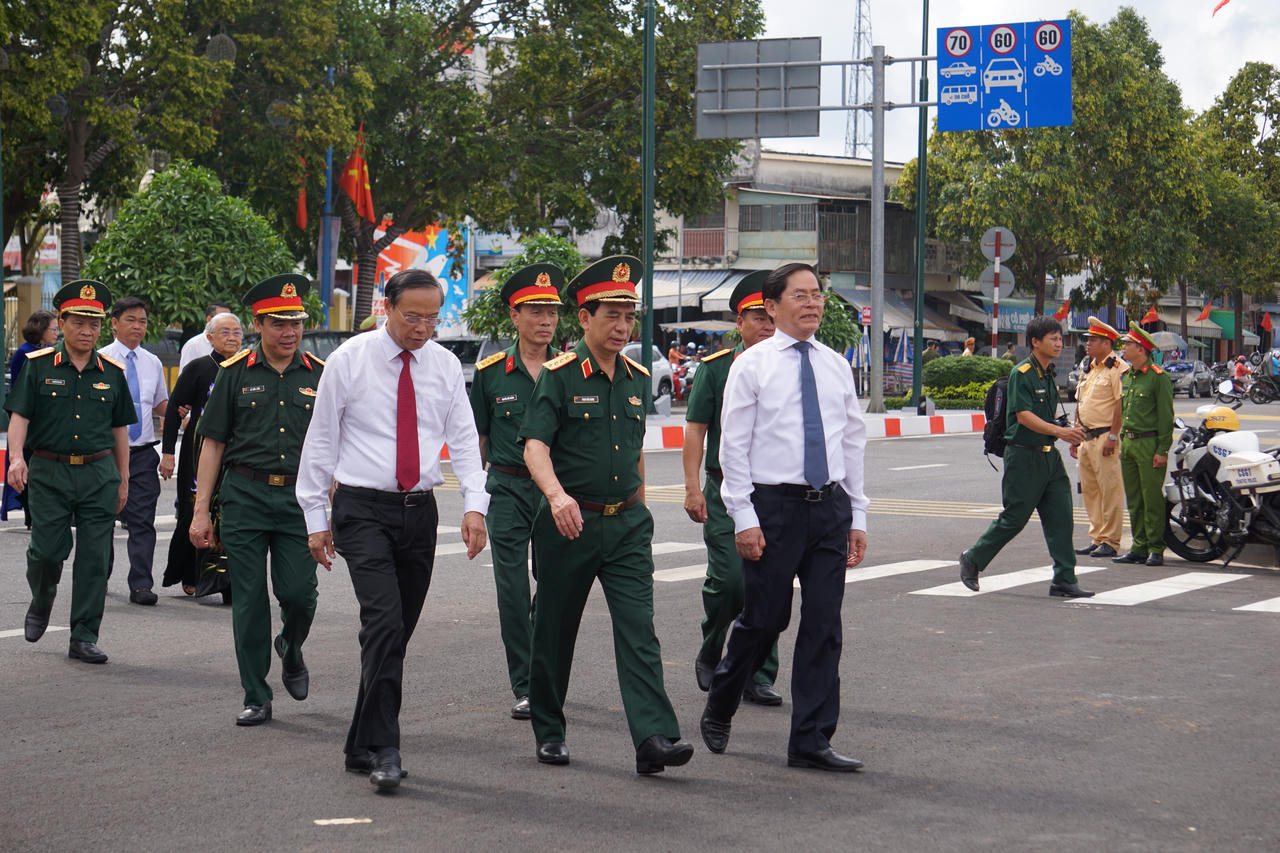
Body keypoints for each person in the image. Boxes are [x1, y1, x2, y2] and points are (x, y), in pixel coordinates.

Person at [297, 268, 489, 791]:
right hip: (361, 509)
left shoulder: (446, 366)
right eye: (413, 317)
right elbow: (320, 443)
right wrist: (316, 519)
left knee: (395, 632)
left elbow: (466, 442)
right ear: (387, 308)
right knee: (382, 624)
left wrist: (475, 506)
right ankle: (386, 747)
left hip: (418, 512)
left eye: (432, 318)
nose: (423, 328)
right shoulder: (349, 361)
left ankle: (361, 741)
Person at [520, 256, 693, 775]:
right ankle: (549, 729)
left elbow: (635, 449)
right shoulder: (558, 377)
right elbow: (533, 448)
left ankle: (654, 738)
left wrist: (639, 501)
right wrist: (556, 497)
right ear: (584, 318)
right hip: (568, 525)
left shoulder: (638, 379)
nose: (622, 327)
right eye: (611, 316)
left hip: (626, 526)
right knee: (554, 631)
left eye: (629, 317)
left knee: (639, 629)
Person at [698, 262, 869, 773]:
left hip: (829, 508)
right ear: (772, 307)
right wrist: (743, 517)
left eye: (817, 294)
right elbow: (733, 448)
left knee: (824, 624)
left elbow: (853, 442)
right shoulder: (751, 366)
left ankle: (811, 739)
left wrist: (857, 515)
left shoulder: (835, 364)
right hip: (773, 509)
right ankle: (723, 695)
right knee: (766, 618)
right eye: (800, 295)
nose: (813, 303)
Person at [190, 275, 324, 726]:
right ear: (258, 324)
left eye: (296, 323)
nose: (289, 332)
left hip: (298, 501)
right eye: (279, 323)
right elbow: (211, 444)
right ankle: (256, 693)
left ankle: (291, 644)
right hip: (244, 497)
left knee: (299, 595)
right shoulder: (234, 374)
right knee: (248, 599)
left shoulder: (319, 375)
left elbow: (334, 447)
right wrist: (200, 510)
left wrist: (332, 509)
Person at [5, 281, 135, 664]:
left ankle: (83, 635)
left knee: (96, 559)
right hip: (49, 471)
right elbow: (19, 416)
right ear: (61, 323)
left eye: (94, 324)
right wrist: (16, 458)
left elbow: (119, 431)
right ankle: (42, 599)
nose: (87, 331)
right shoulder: (38, 365)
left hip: (98, 474)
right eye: (79, 322)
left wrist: (123, 476)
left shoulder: (112, 371)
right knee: (46, 552)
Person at [468, 264, 563, 721]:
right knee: (511, 588)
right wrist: (475, 507)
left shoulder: (570, 370)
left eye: (552, 312)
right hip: (506, 488)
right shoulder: (490, 374)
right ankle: (524, 684)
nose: (545, 321)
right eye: (536, 311)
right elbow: (478, 444)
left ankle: (546, 674)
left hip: (556, 494)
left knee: (554, 590)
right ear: (515, 315)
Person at [683, 271, 782, 705]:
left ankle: (757, 672)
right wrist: (692, 487)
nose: (766, 325)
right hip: (726, 491)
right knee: (729, 582)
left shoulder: (791, 364)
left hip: (777, 495)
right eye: (757, 317)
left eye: (771, 317)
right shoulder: (718, 368)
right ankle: (712, 648)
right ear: (738, 322)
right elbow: (696, 430)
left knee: (770, 587)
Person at [958, 316, 1092, 598]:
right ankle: (973, 558)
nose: (1059, 343)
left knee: (1061, 517)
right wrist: (1060, 431)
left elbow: (1051, 413)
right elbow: (1024, 416)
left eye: (1060, 338)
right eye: (1053, 339)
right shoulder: (1023, 372)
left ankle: (1064, 579)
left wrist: (1070, 432)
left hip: (1049, 457)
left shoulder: (1047, 373)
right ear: (1035, 342)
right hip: (1023, 456)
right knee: (1014, 518)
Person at [161, 311, 244, 596]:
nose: (232, 337)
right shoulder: (198, 368)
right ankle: (190, 572)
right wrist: (168, 453)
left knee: (229, 514)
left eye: (237, 332)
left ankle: (228, 582)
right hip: (198, 451)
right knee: (193, 512)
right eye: (225, 332)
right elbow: (174, 409)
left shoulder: (246, 367)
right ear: (209, 338)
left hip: (236, 452)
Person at [101, 297, 170, 606]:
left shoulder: (152, 363)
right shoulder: (99, 359)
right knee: (101, 520)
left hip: (142, 454)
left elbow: (158, 405)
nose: (138, 327)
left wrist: (189, 409)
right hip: (104, 453)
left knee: (143, 520)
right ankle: (97, 578)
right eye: (131, 320)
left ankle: (141, 584)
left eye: (142, 321)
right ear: (114, 323)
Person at [1113, 323, 1174, 567]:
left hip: (1149, 444)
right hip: (1129, 443)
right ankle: (1139, 546)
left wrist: (1162, 450)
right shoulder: (1127, 376)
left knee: (1152, 499)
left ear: (1141, 348)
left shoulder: (1158, 378)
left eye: (1127, 344)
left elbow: (1166, 418)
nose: (1124, 348)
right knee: (1135, 499)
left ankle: (1156, 548)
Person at [1070, 317, 1128, 560]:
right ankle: (1097, 537)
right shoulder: (1090, 368)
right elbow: (1080, 402)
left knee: (1110, 490)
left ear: (1107, 343)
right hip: (1086, 437)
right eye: (1087, 340)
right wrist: (1075, 435)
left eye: (1092, 340)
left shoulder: (1118, 368)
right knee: (1091, 491)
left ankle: (1112, 540)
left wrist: (1114, 436)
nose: (1088, 344)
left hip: (1105, 436)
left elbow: (1119, 404)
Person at [3, 310, 59, 526]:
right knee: (27, 465)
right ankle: (30, 515)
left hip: (48, 421)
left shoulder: (54, 351)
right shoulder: (24, 352)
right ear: (41, 330)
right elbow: (20, 390)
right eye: (53, 329)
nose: (56, 333)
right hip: (29, 420)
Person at [178, 302, 233, 371]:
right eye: (223, 319)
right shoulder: (193, 345)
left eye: (230, 319)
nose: (227, 323)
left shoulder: (232, 344)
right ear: (209, 319)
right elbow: (185, 377)